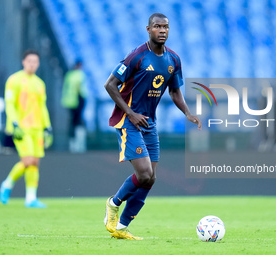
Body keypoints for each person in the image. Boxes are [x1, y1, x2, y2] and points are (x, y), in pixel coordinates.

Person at [103, 13, 201, 240]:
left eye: (166, 27)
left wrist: (187, 113)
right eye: (157, 26)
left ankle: (121, 228)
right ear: (148, 29)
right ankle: (113, 203)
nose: (162, 30)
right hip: (128, 120)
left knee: (150, 178)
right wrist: (130, 113)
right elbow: (110, 85)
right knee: (144, 173)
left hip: (149, 123)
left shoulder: (174, 60)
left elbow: (175, 91)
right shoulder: (137, 57)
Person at [0, 50, 53, 208]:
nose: (32, 64)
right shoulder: (14, 80)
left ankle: (30, 198)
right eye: (29, 61)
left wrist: (47, 126)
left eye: (35, 61)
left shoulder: (39, 83)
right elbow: (9, 104)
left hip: (37, 127)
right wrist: (14, 122)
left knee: (35, 162)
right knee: (28, 160)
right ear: (23, 62)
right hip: (21, 127)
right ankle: (7, 183)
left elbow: (42, 107)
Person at [61, 59, 87, 152]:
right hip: (78, 100)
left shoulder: (69, 75)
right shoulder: (80, 75)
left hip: (69, 101)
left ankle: (72, 144)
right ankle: (79, 145)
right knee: (78, 122)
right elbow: (81, 89)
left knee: (72, 122)